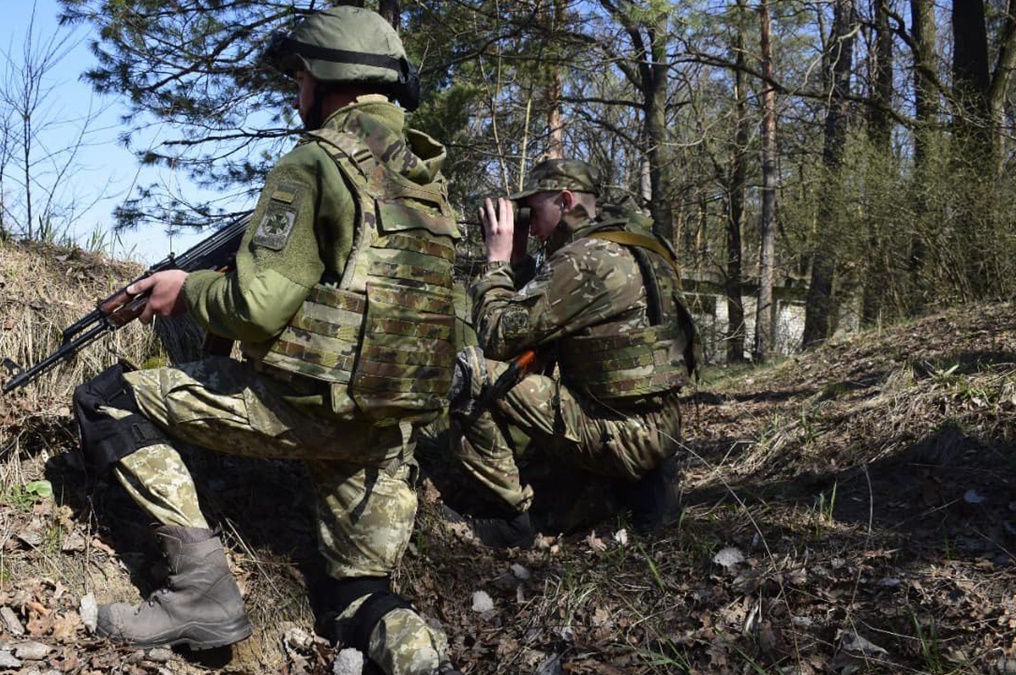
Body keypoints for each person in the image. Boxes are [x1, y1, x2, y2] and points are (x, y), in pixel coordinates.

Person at [70, 7, 461, 674]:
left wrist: (182, 291)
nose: (295, 90)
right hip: (386, 431)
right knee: (358, 594)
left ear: (330, 77)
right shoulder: (425, 179)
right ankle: (420, 659)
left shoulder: (315, 161)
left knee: (109, 397)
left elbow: (254, 305)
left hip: (306, 410)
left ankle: (200, 593)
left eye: (301, 74)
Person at [444, 158, 698, 548]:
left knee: (472, 373)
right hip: (660, 431)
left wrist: (496, 262)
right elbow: (543, 325)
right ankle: (629, 490)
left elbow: (496, 336)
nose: (527, 217)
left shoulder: (584, 260)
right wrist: (521, 262)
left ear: (564, 200)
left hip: (617, 434)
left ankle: (514, 521)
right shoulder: (640, 244)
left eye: (535, 206)